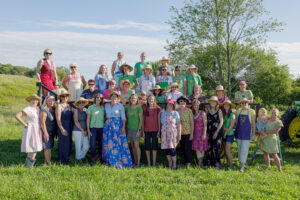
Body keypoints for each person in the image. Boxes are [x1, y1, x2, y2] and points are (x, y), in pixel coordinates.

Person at [102, 91, 133, 168]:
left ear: (118, 98)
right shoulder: (107, 105)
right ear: (110, 97)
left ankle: (120, 161)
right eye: (112, 96)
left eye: (116, 97)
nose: (114, 98)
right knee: (108, 142)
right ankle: (109, 160)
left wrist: (123, 127)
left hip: (117, 126)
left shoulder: (120, 106)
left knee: (119, 143)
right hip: (108, 126)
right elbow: (105, 115)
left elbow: (123, 118)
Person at [15, 94, 43, 169]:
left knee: (34, 147)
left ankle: (28, 166)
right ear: (30, 101)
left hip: (37, 129)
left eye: (36, 100)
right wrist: (25, 124)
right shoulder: (28, 109)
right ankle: (29, 167)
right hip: (31, 129)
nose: (34, 101)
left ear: (38, 101)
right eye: (32, 100)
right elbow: (17, 116)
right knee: (33, 147)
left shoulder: (38, 109)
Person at [159, 98, 181, 169]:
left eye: (171, 104)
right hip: (165, 134)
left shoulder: (175, 113)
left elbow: (178, 124)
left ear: (173, 105)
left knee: (172, 149)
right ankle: (169, 162)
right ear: (166, 105)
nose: (170, 106)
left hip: (173, 134)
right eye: (168, 104)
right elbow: (161, 124)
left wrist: (179, 135)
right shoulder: (163, 113)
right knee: (166, 149)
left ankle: (174, 164)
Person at [235, 98, 256, 172]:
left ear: (248, 103)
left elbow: (253, 123)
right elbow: (236, 122)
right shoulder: (238, 111)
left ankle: (242, 166)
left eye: (245, 103)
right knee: (239, 148)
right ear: (240, 104)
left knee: (244, 149)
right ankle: (241, 163)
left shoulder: (252, 111)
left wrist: (253, 133)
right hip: (239, 132)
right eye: (242, 103)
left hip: (247, 133)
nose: (244, 104)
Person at [143, 94, 161, 166]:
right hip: (146, 130)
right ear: (147, 100)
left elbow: (159, 120)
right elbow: (143, 120)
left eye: (152, 99)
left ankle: (154, 163)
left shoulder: (158, 109)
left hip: (155, 130)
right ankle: (149, 162)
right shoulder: (144, 108)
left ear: (154, 100)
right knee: (147, 146)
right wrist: (142, 131)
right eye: (149, 99)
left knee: (154, 146)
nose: (151, 100)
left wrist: (159, 130)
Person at [125, 94, 143, 166]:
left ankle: (138, 162)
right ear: (130, 99)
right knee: (132, 145)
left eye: (134, 98)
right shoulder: (127, 107)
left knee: (136, 146)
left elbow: (141, 120)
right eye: (132, 98)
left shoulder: (139, 108)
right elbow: (126, 118)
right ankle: (134, 161)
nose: (133, 99)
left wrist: (139, 130)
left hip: (136, 129)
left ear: (137, 100)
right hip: (129, 129)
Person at [56, 89, 73, 165]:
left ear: (68, 97)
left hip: (69, 126)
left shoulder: (69, 106)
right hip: (62, 126)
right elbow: (58, 119)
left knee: (69, 143)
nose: (64, 98)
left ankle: (67, 159)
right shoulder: (59, 106)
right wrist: (62, 129)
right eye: (63, 96)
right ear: (60, 97)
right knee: (63, 143)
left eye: (66, 96)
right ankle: (61, 160)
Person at [87, 93, 105, 162]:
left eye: (100, 98)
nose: (98, 99)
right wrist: (88, 130)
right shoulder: (91, 107)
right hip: (93, 128)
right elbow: (88, 119)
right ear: (95, 99)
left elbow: (104, 117)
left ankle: (100, 158)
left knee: (101, 143)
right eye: (97, 97)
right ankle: (93, 158)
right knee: (93, 144)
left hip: (101, 128)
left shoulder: (102, 108)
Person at [206, 96, 223, 168]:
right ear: (209, 102)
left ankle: (217, 164)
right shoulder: (207, 110)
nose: (213, 102)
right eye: (211, 101)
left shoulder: (219, 111)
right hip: (209, 131)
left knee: (216, 148)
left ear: (216, 103)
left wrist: (217, 132)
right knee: (209, 147)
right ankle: (210, 164)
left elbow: (221, 121)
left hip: (217, 131)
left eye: (214, 101)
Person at [176, 96, 194, 167]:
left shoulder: (189, 111)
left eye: (183, 101)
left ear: (186, 102)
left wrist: (192, 134)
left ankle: (189, 163)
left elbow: (192, 123)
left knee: (187, 148)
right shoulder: (176, 111)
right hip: (179, 133)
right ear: (179, 102)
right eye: (180, 101)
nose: (182, 103)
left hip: (187, 132)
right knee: (182, 148)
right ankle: (184, 161)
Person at [40, 95, 56, 165]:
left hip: (51, 131)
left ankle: (46, 161)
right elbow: (42, 122)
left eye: (53, 100)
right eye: (49, 100)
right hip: (46, 131)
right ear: (46, 102)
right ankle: (48, 163)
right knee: (47, 148)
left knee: (49, 147)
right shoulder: (44, 110)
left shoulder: (53, 109)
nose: (51, 102)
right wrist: (45, 133)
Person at [191, 99, 208, 167]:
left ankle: (201, 164)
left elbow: (205, 124)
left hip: (202, 132)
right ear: (193, 106)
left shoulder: (202, 113)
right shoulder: (192, 113)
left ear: (199, 106)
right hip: (195, 133)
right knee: (197, 149)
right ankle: (200, 164)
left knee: (202, 149)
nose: (196, 106)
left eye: (197, 105)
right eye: (194, 105)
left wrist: (204, 134)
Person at [73, 97, 89, 162]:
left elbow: (88, 119)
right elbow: (76, 121)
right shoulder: (76, 110)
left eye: (83, 102)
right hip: (77, 130)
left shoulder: (86, 110)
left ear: (85, 103)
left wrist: (87, 111)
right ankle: (79, 159)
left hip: (85, 130)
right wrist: (82, 130)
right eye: (80, 102)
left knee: (86, 146)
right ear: (78, 104)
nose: (81, 103)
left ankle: (80, 157)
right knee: (78, 146)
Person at [221, 100, 236, 168]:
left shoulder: (232, 115)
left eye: (228, 105)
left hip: (229, 134)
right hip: (223, 133)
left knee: (227, 151)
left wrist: (225, 132)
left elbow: (231, 126)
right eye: (225, 104)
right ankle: (227, 163)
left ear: (230, 106)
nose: (226, 106)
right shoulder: (223, 114)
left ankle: (231, 164)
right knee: (224, 150)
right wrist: (223, 130)